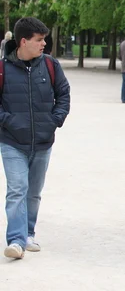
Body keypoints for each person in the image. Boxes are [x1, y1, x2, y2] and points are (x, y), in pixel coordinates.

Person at [0, 17, 70, 260]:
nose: (43, 44)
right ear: (23, 42)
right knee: (17, 189)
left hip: (42, 142)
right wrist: (10, 122)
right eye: (39, 40)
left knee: (34, 192)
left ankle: (28, 233)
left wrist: (54, 121)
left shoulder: (51, 65)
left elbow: (63, 95)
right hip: (11, 142)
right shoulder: (2, 68)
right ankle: (16, 241)